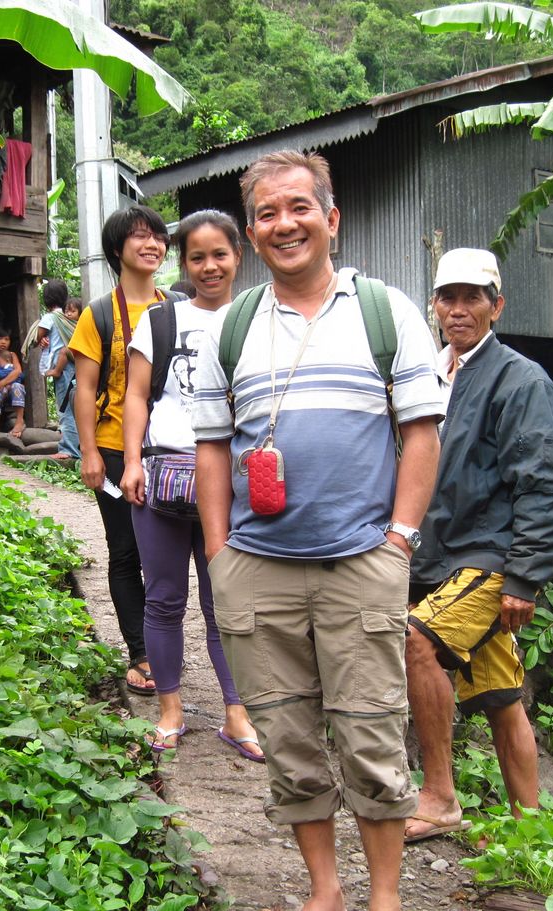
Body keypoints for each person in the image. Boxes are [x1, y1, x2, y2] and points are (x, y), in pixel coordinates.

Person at [191, 150, 444, 911]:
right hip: (257, 567)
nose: (284, 224)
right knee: (289, 739)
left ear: (331, 219)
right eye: (267, 213)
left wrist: (398, 538)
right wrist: (219, 551)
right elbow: (209, 445)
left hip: (361, 560)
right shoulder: (230, 327)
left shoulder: (385, 311)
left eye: (298, 207)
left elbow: (422, 433)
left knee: (371, 734)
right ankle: (326, 891)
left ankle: (387, 897)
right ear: (252, 231)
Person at [403, 249, 553, 844]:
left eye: (472, 297)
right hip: (439, 555)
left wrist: (525, 577)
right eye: (447, 297)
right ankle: (532, 831)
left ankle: (440, 797)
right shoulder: (431, 373)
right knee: (502, 696)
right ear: (435, 306)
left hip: (488, 557)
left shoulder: (519, 379)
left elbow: (545, 482)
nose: (458, 309)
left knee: (419, 643)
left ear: (495, 306)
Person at [119, 210, 262, 759]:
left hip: (230, 480)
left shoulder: (256, 319)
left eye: (218, 255)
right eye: (197, 257)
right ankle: (171, 710)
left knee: (226, 601)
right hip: (162, 473)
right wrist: (131, 461)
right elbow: (136, 396)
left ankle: (236, 713)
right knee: (163, 599)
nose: (209, 266)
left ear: (237, 256)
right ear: (184, 263)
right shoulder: (159, 322)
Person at [69, 205, 182, 696]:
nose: (152, 244)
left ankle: (166, 645)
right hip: (117, 450)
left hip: (172, 450)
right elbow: (83, 388)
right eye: (139, 237)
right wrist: (89, 453)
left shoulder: (178, 304)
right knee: (125, 552)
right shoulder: (98, 313)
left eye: (157, 236)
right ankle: (141, 653)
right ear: (118, 249)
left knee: (171, 555)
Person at [44, 297, 83, 460]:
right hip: (74, 374)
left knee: (68, 410)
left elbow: (66, 351)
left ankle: (69, 450)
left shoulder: (75, 328)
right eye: (67, 310)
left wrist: (56, 370)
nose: (68, 313)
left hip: (69, 374)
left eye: (72, 311)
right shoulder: (69, 326)